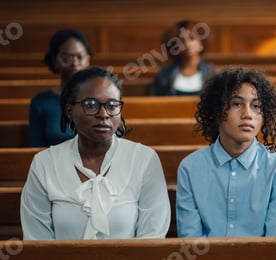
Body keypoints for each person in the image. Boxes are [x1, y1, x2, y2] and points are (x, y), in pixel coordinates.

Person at [21, 67, 170, 240]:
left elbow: (152, 237)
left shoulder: (143, 159)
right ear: (70, 111)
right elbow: (37, 241)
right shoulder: (44, 163)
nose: (103, 114)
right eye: (90, 105)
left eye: (112, 105)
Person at [176, 66, 276, 237]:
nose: (247, 114)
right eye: (237, 104)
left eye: (256, 106)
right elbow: (190, 240)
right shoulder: (191, 168)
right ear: (217, 111)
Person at [29, 28, 93, 147]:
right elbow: (35, 148)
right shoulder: (41, 102)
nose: (74, 63)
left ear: (88, 59)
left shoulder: (100, 97)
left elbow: (115, 141)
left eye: (79, 57)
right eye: (66, 57)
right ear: (54, 60)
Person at [150, 19, 217, 96]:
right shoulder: (164, 75)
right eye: (181, 41)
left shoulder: (213, 74)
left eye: (191, 39)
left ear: (201, 43)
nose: (187, 45)